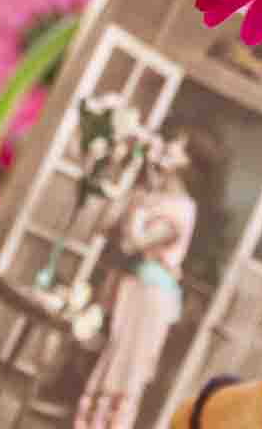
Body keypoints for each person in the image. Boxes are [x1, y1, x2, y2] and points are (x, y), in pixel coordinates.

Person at [73, 133, 196, 429]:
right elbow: (108, 228)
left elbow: (135, 242)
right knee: (111, 362)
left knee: (128, 369)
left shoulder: (181, 207)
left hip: (151, 296)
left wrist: (136, 209)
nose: (158, 164)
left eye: (168, 157)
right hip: (130, 288)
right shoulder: (148, 197)